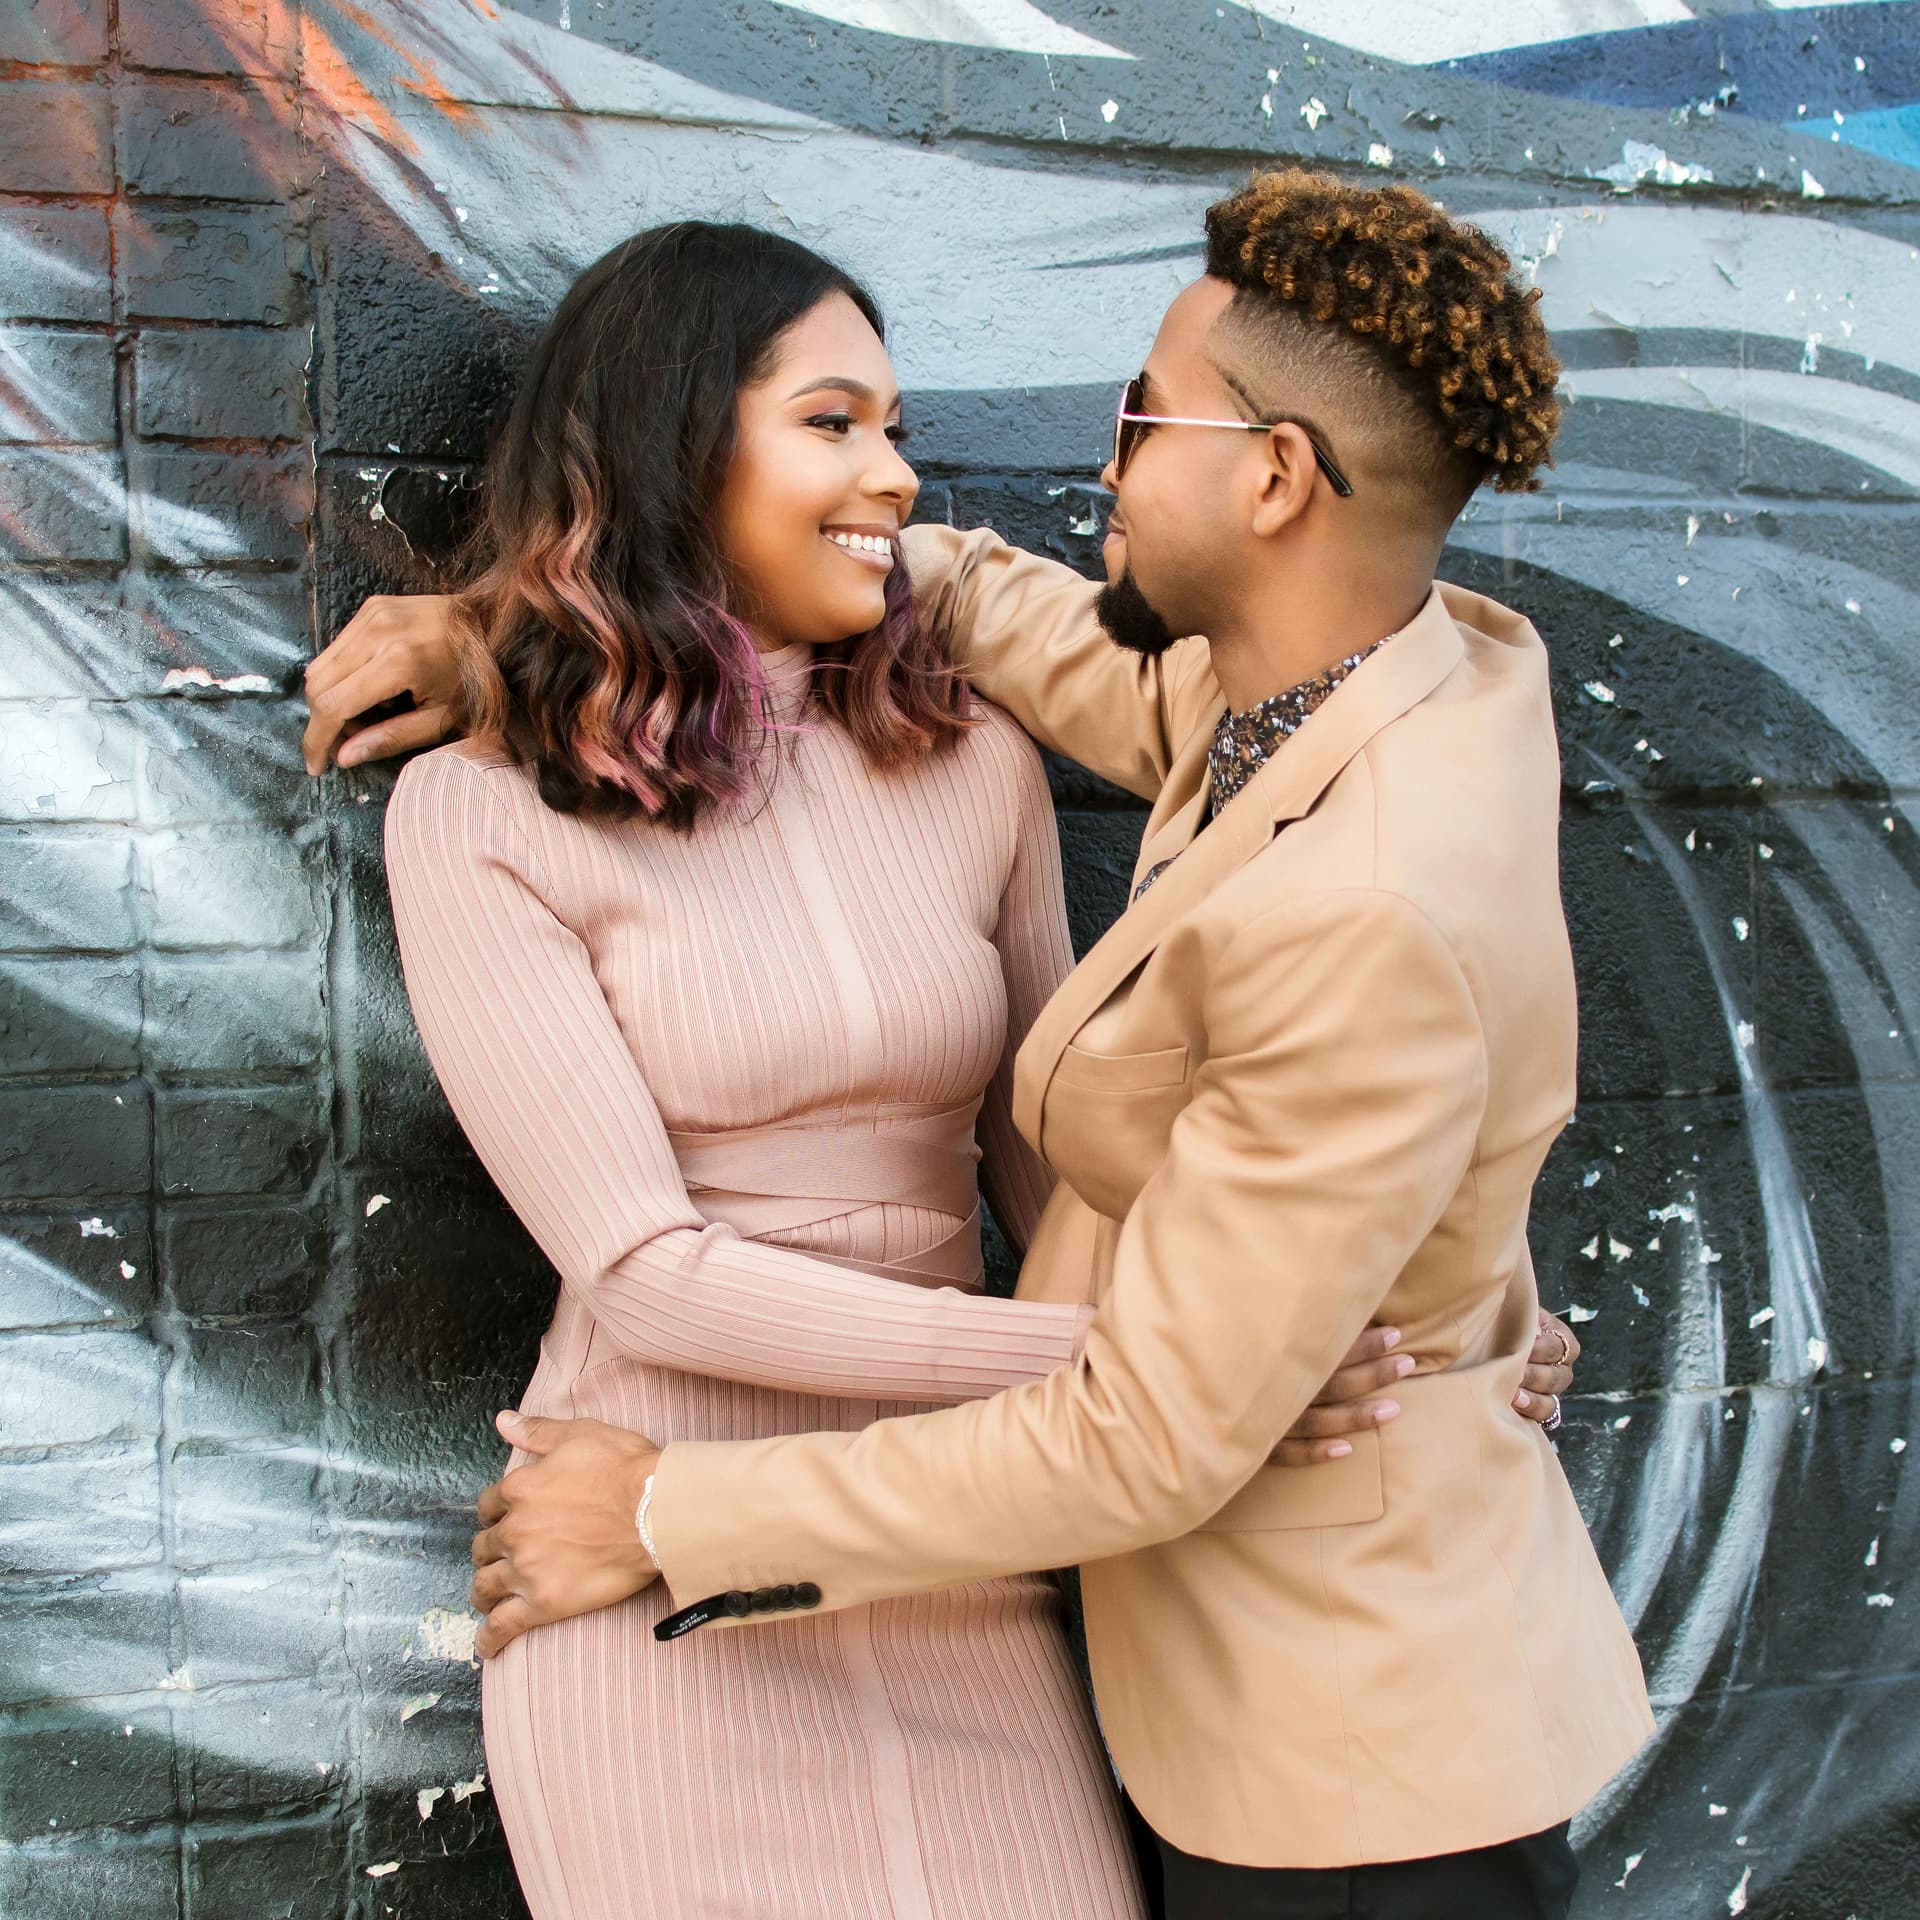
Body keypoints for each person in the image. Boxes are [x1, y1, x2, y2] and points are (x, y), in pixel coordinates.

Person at [347, 216, 1586, 1920]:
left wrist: (1407, 1309)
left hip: (974, 1529)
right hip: (633, 1535)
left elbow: (1075, 1175)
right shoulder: (477, 812)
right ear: (673, 442)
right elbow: (646, 1274)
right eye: (835, 423)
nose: (902, 476)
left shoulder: (972, 760)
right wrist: (1201, 1362)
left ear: (1279, 478)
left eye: (897, 429)